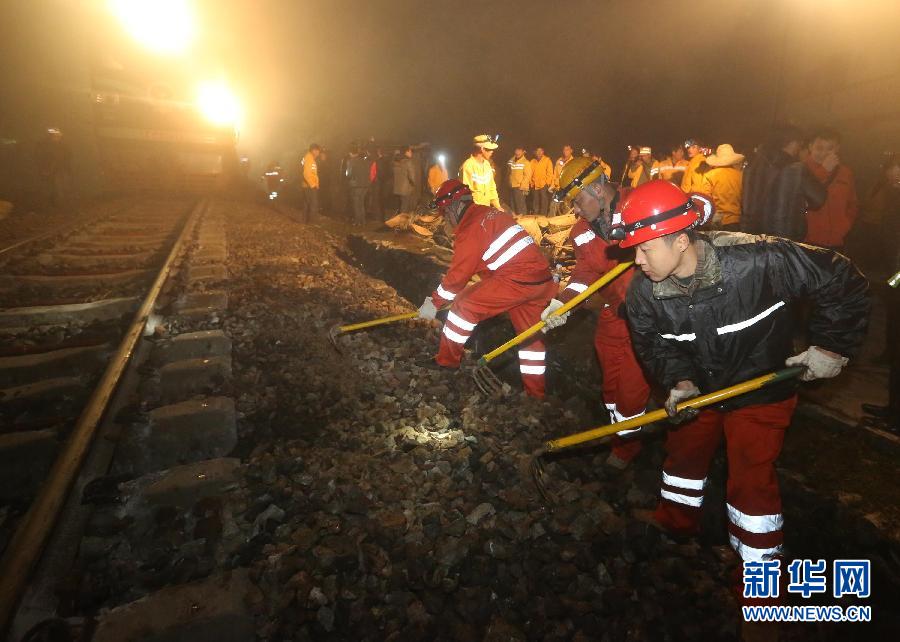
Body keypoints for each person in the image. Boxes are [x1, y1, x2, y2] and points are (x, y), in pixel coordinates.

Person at [621, 180, 869, 601]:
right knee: (683, 453)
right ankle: (675, 519)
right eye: (634, 248)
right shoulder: (644, 293)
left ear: (681, 241)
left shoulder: (760, 261)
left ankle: (760, 589)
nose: (637, 259)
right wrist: (680, 380)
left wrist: (831, 346)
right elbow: (653, 345)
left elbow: (841, 280)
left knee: (751, 485)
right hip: (701, 390)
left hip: (761, 389)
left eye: (645, 248)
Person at [542, 157, 651, 468]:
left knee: (631, 391)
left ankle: (627, 449)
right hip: (613, 312)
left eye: (577, 201)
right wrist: (562, 303)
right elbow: (585, 274)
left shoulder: (639, 204)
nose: (575, 210)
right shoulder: (581, 232)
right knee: (611, 388)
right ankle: (619, 431)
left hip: (647, 318)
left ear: (599, 189)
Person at [417, 179, 555, 398]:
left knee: (463, 305)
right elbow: (491, 266)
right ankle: (536, 395)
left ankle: (447, 362)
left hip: (516, 280)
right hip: (540, 282)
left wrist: (433, 303)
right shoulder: (488, 214)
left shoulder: (471, 227)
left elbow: (457, 277)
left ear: (455, 206)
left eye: (445, 213)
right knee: (530, 339)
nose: (446, 219)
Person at [861, 153, 900, 434]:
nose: (894, 174)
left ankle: (896, 418)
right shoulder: (892, 196)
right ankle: (893, 408)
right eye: (892, 169)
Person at [740, 124, 826, 240]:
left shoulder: (752, 165)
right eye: (799, 144)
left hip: (751, 237)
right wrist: (824, 171)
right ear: (793, 142)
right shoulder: (796, 169)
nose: (799, 148)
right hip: (783, 239)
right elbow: (818, 199)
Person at [804, 127, 858, 251]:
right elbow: (799, 198)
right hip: (806, 241)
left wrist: (844, 226)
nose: (824, 153)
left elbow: (853, 204)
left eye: (830, 148)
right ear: (810, 146)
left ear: (837, 148)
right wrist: (824, 170)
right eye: (819, 148)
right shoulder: (800, 170)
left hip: (835, 241)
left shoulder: (846, 173)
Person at [701, 144, 744, 230]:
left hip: (717, 222)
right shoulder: (741, 176)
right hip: (737, 221)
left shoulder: (709, 175)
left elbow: (705, 201)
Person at [460, 134, 502, 209]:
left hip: (486, 210)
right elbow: (465, 194)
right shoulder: (468, 166)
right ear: (482, 149)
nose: (492, 152)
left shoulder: (487, 165)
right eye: (489, 149)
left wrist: (498, 206)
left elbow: (492, 188)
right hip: (474, 211)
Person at [34, 127, 71, 208]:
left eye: (58, 136)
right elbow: (42, 158)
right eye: (55, 136)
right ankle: (53, 205)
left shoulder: (62, 146)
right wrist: (46, 169)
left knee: (61, 187)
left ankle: (60, 205)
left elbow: (65, 158)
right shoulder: (46, 146)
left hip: (60, 170)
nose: (57, 137)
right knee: (50, 188)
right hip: (50, 171)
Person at [346, 146, 372, 226]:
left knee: (356, 204)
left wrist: (347, 174)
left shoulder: (351, 161)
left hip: (356, 185)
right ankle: (363, 221)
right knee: (361, 203)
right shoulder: (365, 161)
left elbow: (349, 174)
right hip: (366, 185)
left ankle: (357, 222)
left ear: (350, 153)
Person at [549, 144, 575, 215]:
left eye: (567, 150)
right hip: (558, 188)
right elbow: (555, 175)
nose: (565, 152)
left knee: (566, 207)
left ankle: (566, 224)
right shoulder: (559, 160)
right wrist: (552, 186)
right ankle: (551, 222)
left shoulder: (574, 162)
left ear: (571, 151)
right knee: (553, 206)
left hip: (568, 188)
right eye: (564, 150)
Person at [507, 146, 532, 214]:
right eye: (516, 150)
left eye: (519, 150)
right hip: (512, 186)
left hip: (519, 187)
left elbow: (528, 175)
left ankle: (523, 221)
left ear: (523, 152)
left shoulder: (525, 162)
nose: (517, 152)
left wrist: (522, 186)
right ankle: (514, 221)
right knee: (513, 206)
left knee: (520, 206)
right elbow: (508, 167)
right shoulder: (512, 161)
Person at [392, 146, 417, 213]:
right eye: (410, 151)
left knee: (401, 205)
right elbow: (412, 176)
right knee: (405, 206)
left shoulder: (396, 162)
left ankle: (399, 220)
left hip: (397, 188)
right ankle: (402, 222)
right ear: (406, 152)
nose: (411, 153)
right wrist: (414, 184)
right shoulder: (408, 162)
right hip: (406, 188)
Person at [300, 143, 321, 221]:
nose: (319, 153)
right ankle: (312, 222)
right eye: (318, 151)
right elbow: (307, 173)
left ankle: (305, 221)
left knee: (307, 204)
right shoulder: (309, 159)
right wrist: (313, 185)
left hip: (306, 185)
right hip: (309, 185)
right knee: (313, 204)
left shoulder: (308, 157)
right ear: (314, 150)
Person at [530, 147, 554, 215]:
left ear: (543, 152)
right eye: (537, 151)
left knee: (544, 202)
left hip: (544, 185)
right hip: (535, 185)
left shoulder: (547, 160)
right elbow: (530, 173)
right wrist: (531, 182)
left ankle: (543, 216)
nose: (539, 152)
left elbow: (550, 173)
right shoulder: (532, 161)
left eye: (541, 151)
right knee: (535, 202)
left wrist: (547, 183)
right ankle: (536, 216)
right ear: (535, 152)